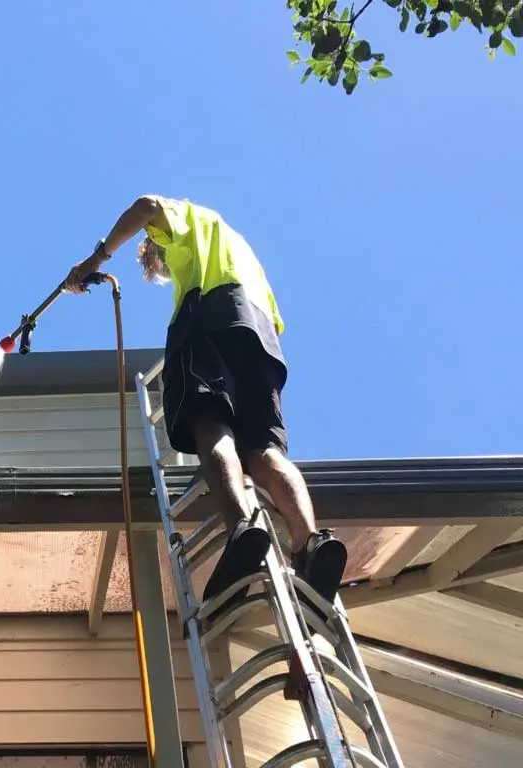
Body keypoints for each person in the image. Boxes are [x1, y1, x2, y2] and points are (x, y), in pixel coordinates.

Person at [64, 194, 347, 619]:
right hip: (261, 334)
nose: (160, 268)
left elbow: (145, 206)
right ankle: (310, 543)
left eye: (157, 262)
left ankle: (242, 530)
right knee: (263, 452)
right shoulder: (244, 256)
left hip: (208, 315)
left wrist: (96, 259)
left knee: (210, 425)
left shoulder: (192, 224)